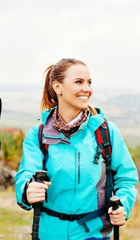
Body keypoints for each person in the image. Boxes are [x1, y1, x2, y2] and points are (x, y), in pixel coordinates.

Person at [15, 58, 138, 240]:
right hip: (49, 234)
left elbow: (126, 179)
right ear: (58, 87)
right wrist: (27, 191)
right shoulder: (38, 135)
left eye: (89, 82)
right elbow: (25, 176)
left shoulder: (105, 132)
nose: (87, 89)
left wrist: (123, 206)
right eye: (79, 82)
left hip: (93, 234)